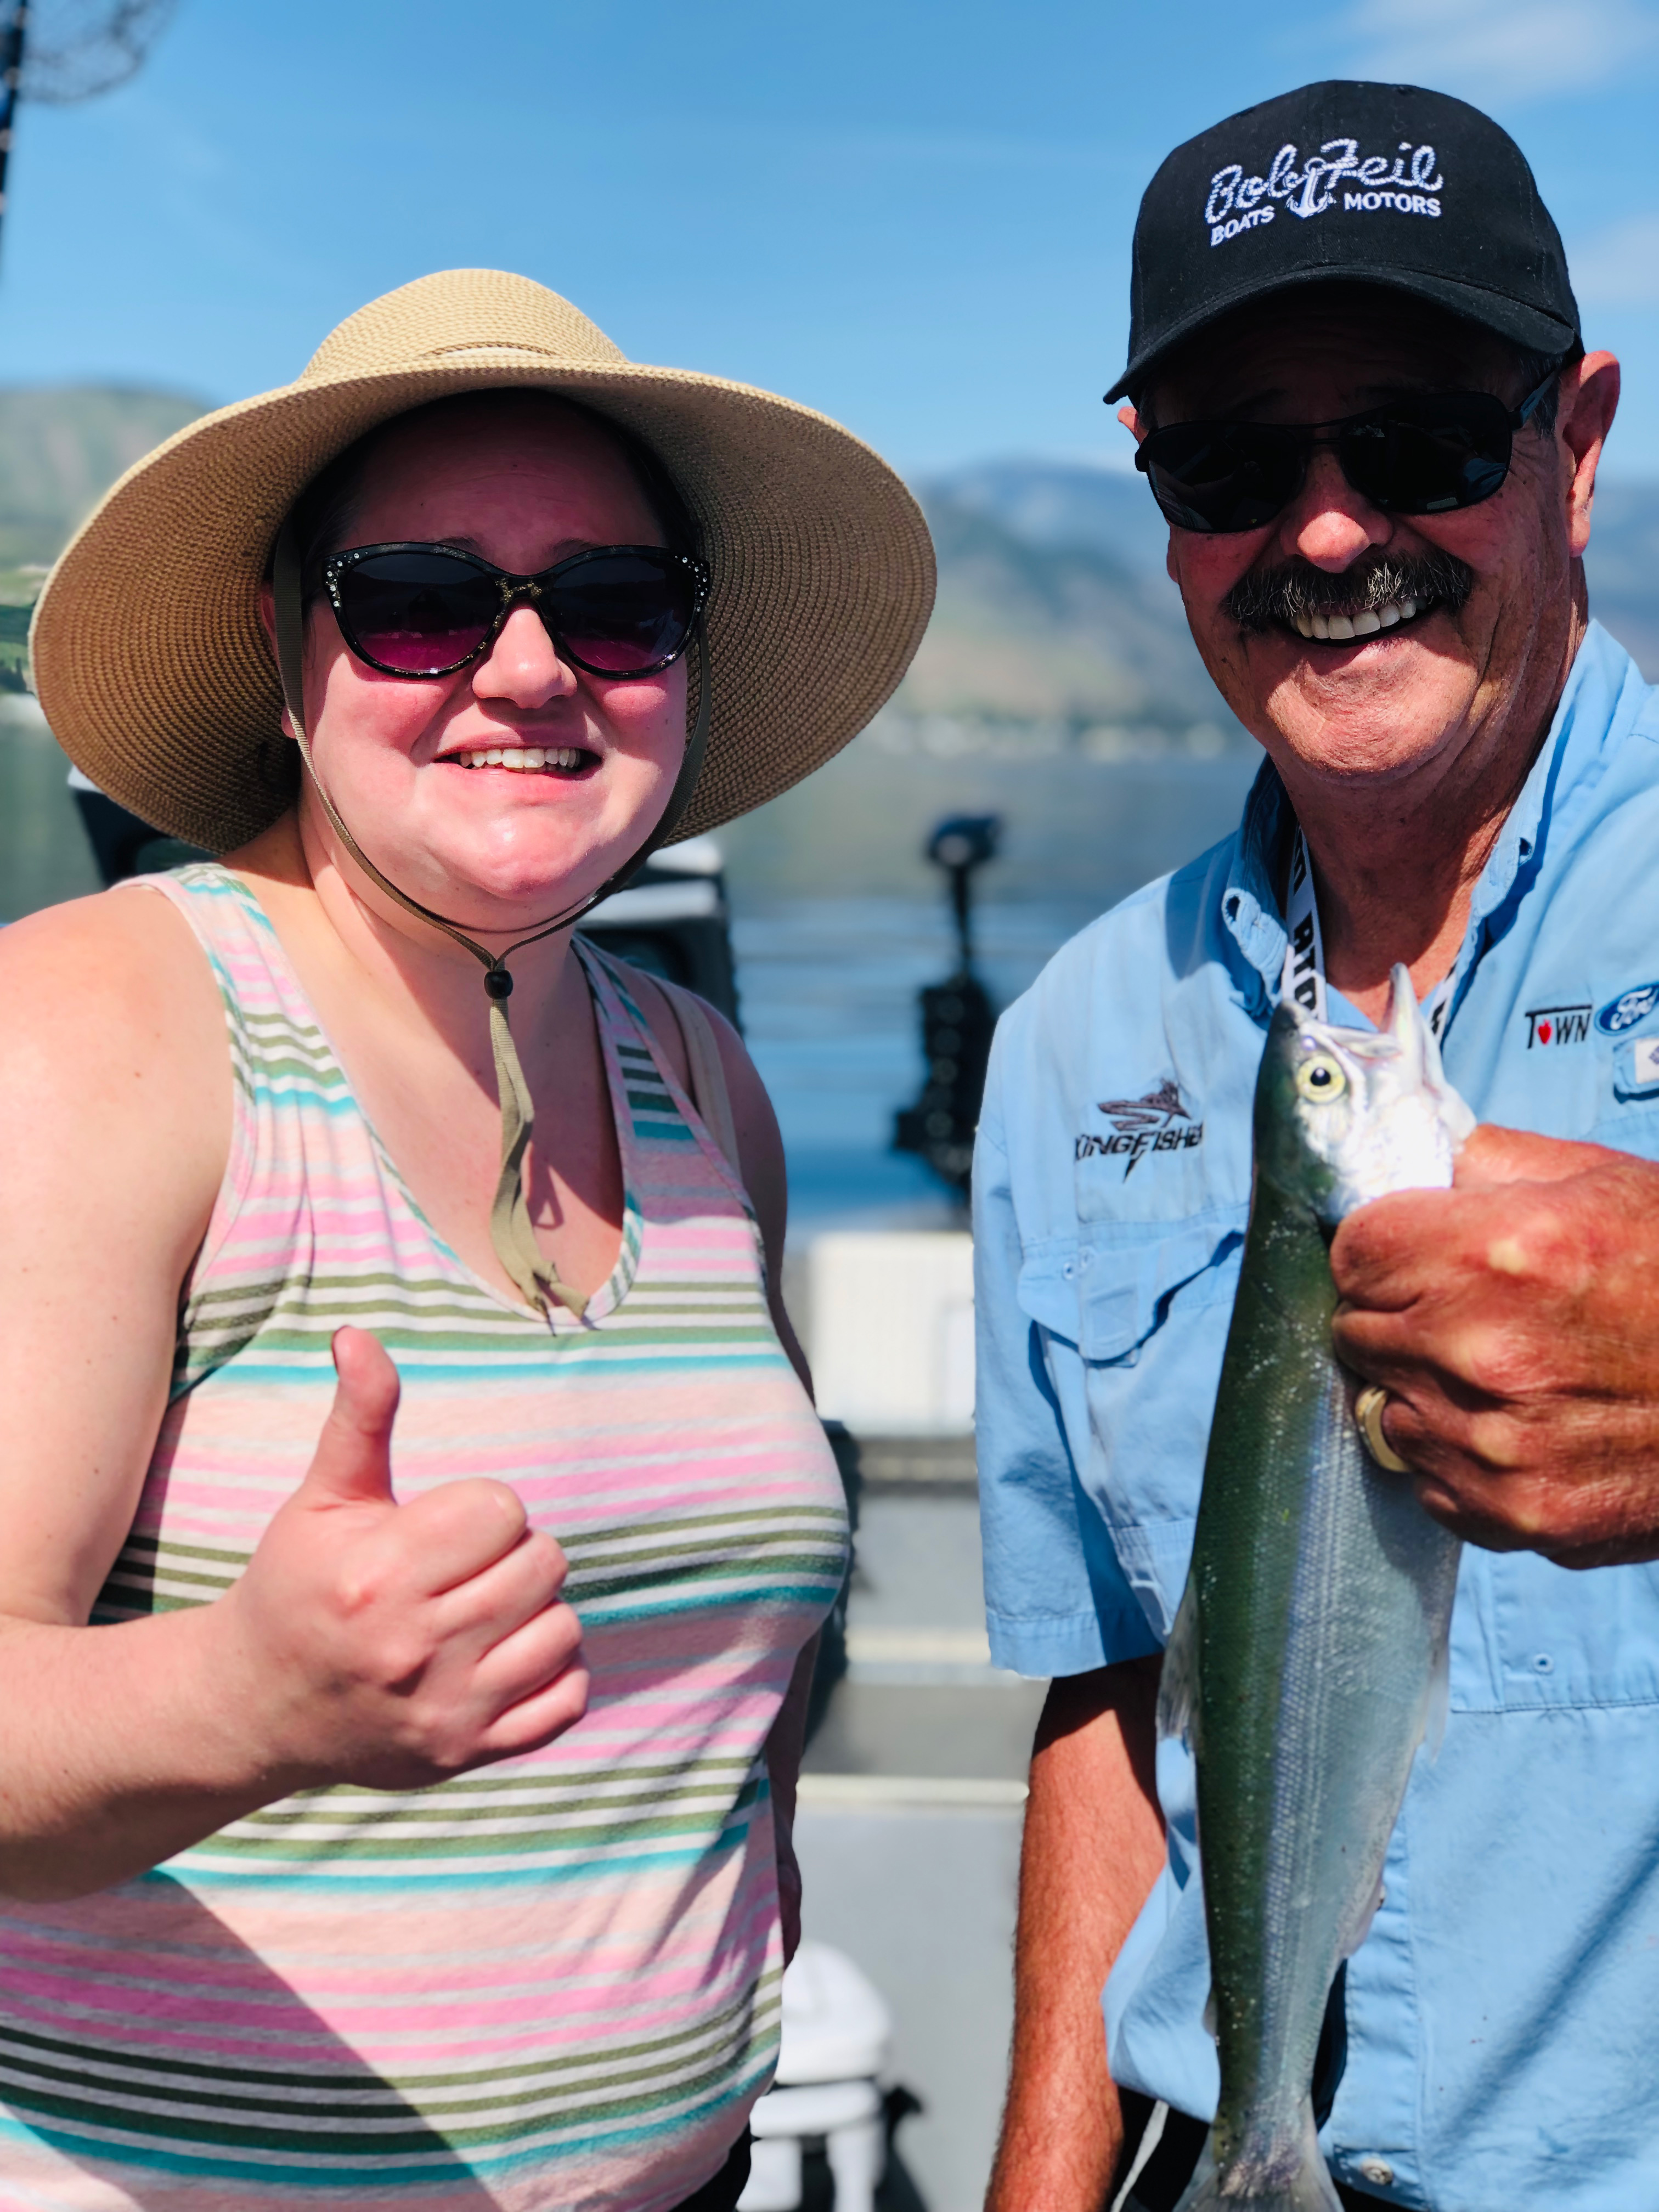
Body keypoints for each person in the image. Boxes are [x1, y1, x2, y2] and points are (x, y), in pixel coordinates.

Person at [0, 269, 934, 2212]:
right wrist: (240, 1702)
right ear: (284, 657)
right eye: (420, 601)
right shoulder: (103, 1028)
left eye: (612, 606)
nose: (528, 672)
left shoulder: (703, 1080)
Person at [974, 79, 1659, 2212]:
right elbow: (1108, 1703)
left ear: (1576, 437)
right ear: (1161, 507)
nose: (1333, 531)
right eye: (1237, 463)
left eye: (1428, 442)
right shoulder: (1076, 1039)